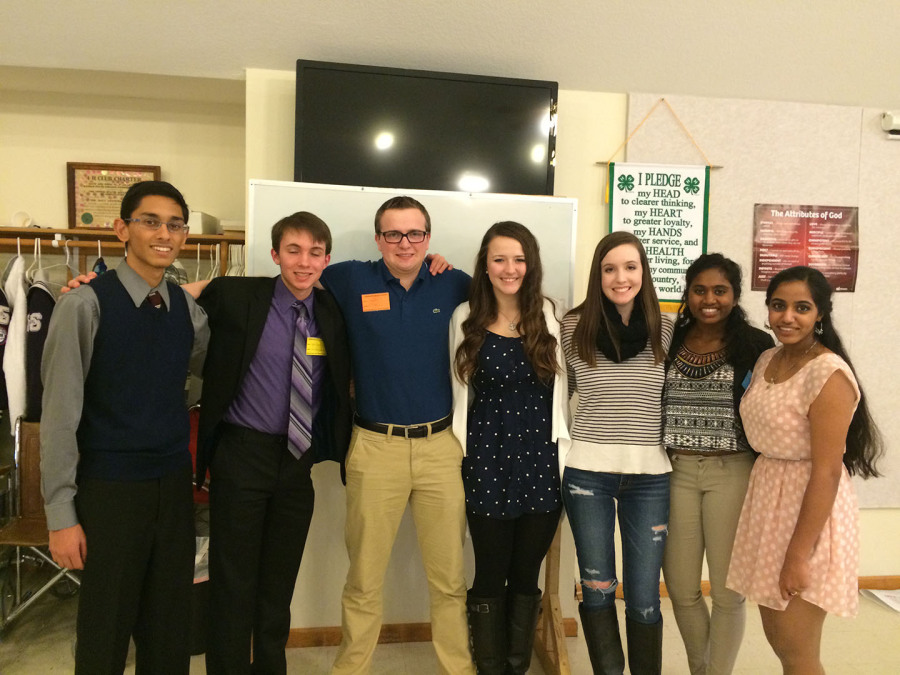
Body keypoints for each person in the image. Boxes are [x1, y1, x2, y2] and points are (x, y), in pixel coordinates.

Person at [40, 181, 209, 674]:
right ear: (122, 229)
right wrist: (60, 515)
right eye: (150, 221)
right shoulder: (84, 305)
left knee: (168, 629)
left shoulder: (187, 310)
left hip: (173, 487)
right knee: (104, 631)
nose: (164, 233)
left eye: (175, 225)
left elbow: (200, 370)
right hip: (109, 491)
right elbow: (59, 418)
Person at [322, 195, 475, 675]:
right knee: (364, 579)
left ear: (429, 238)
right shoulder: (348, 278)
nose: (404, 243)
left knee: (449, 579)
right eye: (393, 233)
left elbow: (512, 301)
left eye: (415, 234)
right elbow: (285, 283)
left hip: (441, 449)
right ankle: (351, 669)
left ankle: (459, 668)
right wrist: (189, 289)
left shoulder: (454, 283)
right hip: (374, 446)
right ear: (378, 238)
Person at [194, 212, 352, 674]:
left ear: (326, 258)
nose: (304, 262)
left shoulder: (330, 312)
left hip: (296, 463)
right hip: (242, 455)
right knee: (233, 581)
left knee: (278, 584)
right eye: (294, 250)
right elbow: (174, 297)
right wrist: (87, 288)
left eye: (314, 252)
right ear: (275, 254)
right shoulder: (239, 295)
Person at [726, 266, 882, 674]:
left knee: (798, 651)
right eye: (778, 306)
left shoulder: (828, 374)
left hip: (808, 513)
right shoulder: (767, 359)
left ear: (820, 315)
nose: (787, 317)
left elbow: (827, 473)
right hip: (768, 504)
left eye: (801, 307)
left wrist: (798, 555)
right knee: (780, 641)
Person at [449, 222, 569, 674]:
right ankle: (490, 667)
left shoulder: (553, 316)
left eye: (519, 259)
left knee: (525, 576)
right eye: (499, 258)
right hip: (486, 461)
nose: (509, 268)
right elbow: (456, 390)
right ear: (485, 264)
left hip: (541, 464)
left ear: (531, 264)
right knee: (488, 575)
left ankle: (515, 666)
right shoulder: (464, 318)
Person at [560, 230, 673, 675]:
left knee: (644, 598)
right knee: (597, 587)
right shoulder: (572, 325)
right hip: (587, 473)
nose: (620, 277)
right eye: (609, 269)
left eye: (630, 267)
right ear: (597, 275)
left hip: (650, 477)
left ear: (643, 273)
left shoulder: (668, 328)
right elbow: (556, 394)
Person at [661, 254, 773, 675]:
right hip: (676, 474)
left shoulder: (756, 345)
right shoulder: (669, 339)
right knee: (682, 587)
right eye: (700, 290)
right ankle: (700, 668)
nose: (709, 299)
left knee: (727, 593)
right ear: (687, 294)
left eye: (720, 290)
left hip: (733, 473)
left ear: (735, 295)